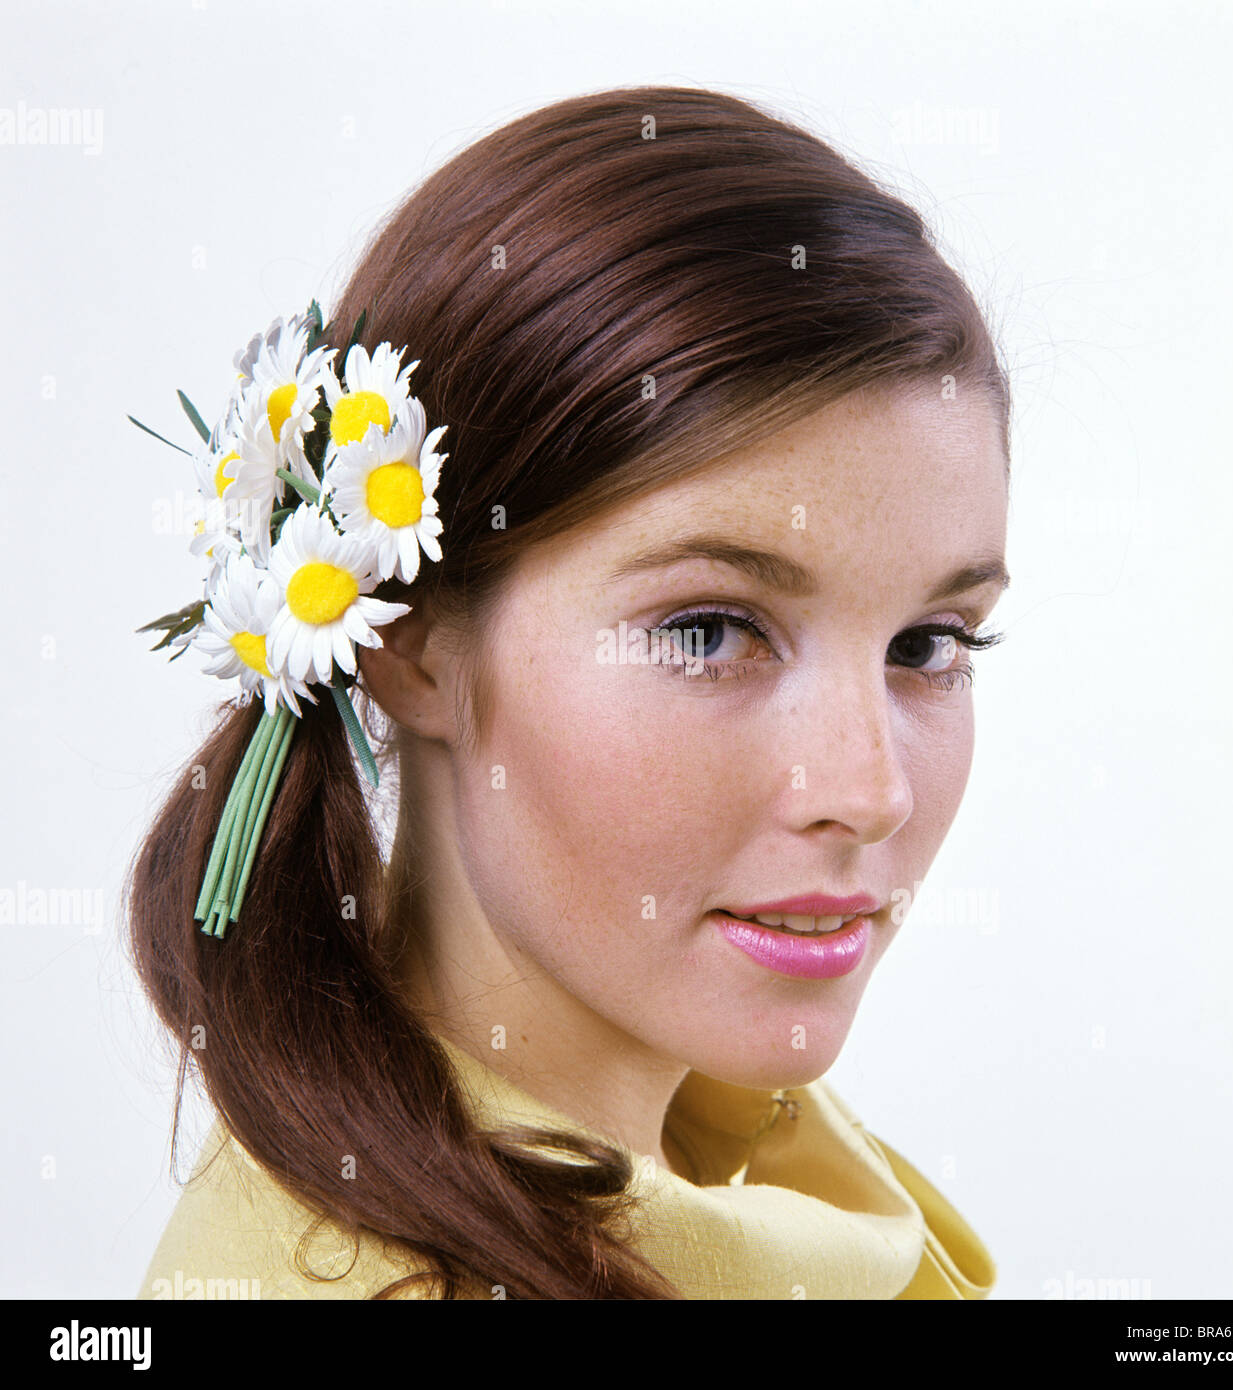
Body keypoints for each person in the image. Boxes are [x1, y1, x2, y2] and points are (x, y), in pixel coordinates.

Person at [131, 83, 1009, 1300]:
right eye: (710, 630)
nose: (868, 792)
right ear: (407, 638)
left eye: (926, 644)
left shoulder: (745, 1185)